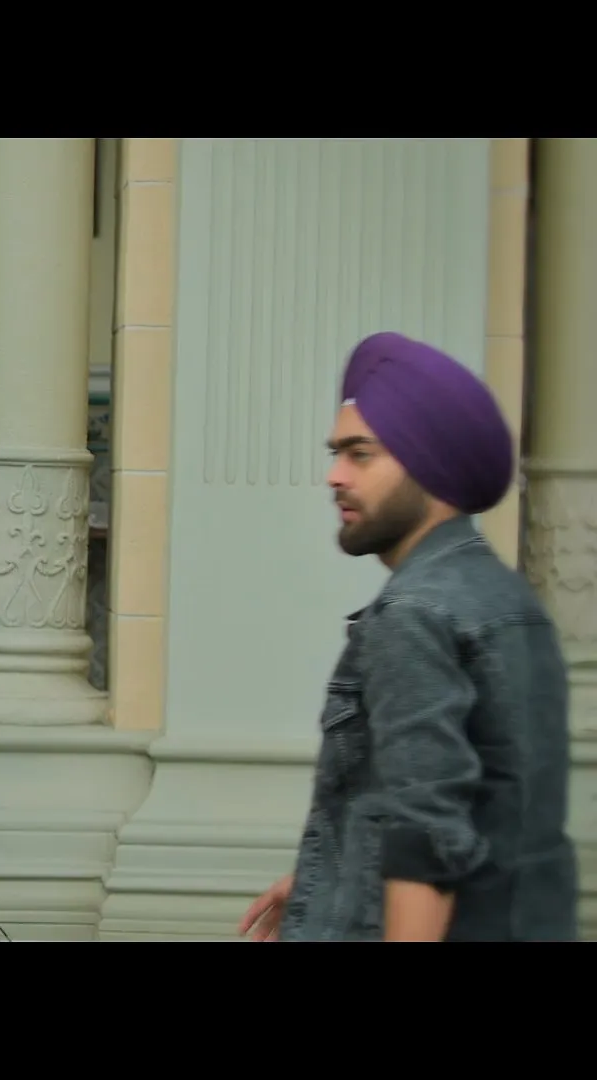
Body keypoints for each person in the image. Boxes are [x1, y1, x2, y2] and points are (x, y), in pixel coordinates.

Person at [240, 331, 576, 942]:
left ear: (431, 464)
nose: (334, 476)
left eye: (360, 455)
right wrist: (330, 880)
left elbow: (427, 839)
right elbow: (497, 812)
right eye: (337, 453)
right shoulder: (509, 600)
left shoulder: (414, 613)